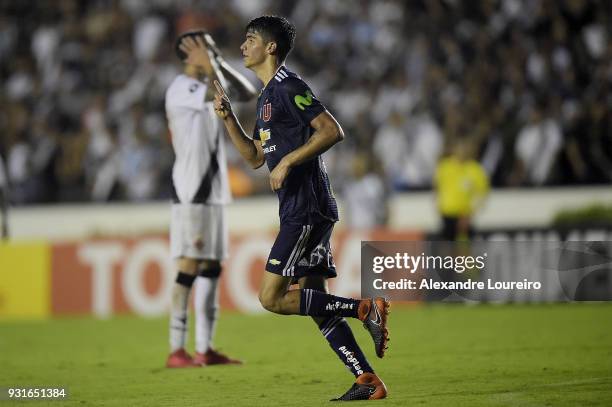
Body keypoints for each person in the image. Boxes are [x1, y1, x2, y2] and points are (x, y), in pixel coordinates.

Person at [180, 16, 389, 400]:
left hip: (306, 207)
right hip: (301, 206)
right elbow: (256, 157)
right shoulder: (265, 100)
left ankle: (365, 309)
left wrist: (290, 161)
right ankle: (367, 380)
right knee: (313, 299)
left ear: (270, 47)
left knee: (271, 297)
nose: (242, 46)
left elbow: (331, 130)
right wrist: (228, 120)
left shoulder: (289, 86)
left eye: (250, 40)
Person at [165, 30, 256, 368]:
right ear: (188, 53)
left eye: (213, 43)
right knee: (189, 263)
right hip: (192, 191)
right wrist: (210, 65)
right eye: (204, 44)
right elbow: (220, 94)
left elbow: (247, 92)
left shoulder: (207, 82)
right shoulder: (181, 89)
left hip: (215, 193)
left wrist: (216, 61)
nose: (212, 48)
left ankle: (205, 347)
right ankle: (176, 349)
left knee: (212, 267)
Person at [435, 139, 490, 241]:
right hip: (447, 214)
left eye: (465, 148)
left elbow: (482, 195)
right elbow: (437, 189)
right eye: (459, 148)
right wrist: (438, 206)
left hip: (465, 215)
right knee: (447, 247)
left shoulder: (476, 170)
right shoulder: (445, 166)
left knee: (464, 248)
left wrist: (470, 213)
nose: (462, 151)